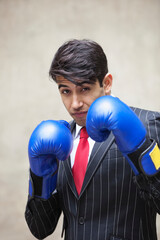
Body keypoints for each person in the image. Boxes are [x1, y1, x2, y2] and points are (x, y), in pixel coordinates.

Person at [25, 39, 160, 240]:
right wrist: (39, 175)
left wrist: (140, 148)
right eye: (66, 91)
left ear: (106, 83)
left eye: (84, 89)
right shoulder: (57, 141)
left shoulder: (147, 123)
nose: (75, 103)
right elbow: (40, 228)